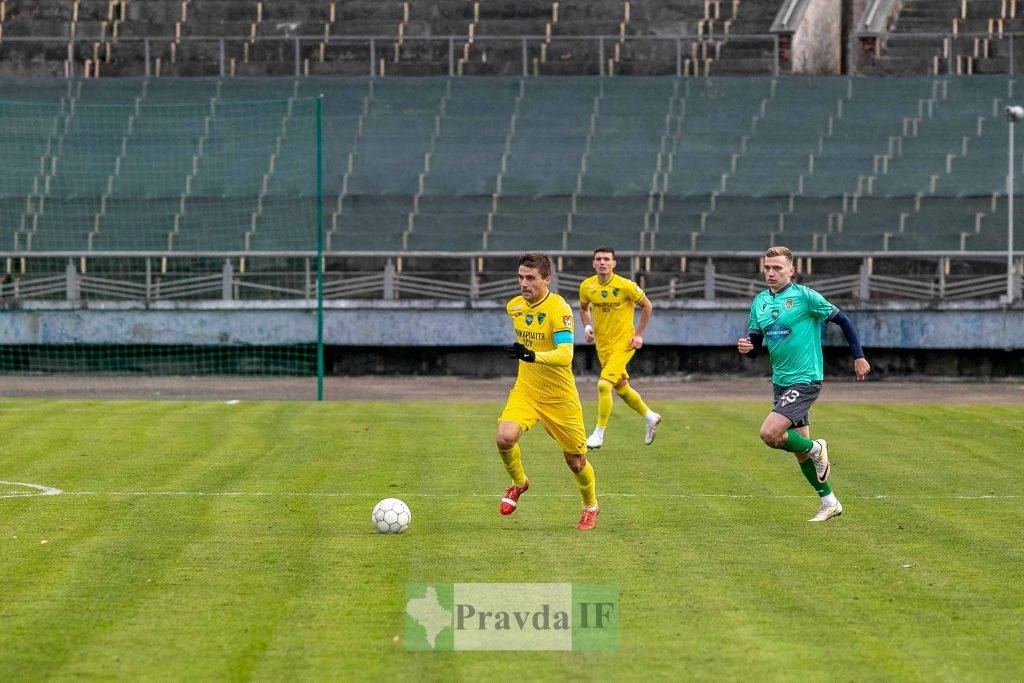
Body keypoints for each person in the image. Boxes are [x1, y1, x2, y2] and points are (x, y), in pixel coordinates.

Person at [737, 246, 871, 522]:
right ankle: (830, 502)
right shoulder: (760, 302)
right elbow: (755, 346)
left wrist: (858, 356)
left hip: (806, 379)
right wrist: (746, 347)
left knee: (769, 434)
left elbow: (843, 319)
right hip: (781, 381)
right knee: (799, 451)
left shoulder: (805, 296)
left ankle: (818, 449)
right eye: (767, 268)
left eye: (777, 268)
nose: (771, 273)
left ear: (791, 271)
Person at [497, 252, 599, 530]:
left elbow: (565, 355)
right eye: (520, 277)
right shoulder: (514, 307)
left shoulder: (560, 310)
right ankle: (519, 483)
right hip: (527, 391)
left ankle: (590, 505)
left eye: (530, 278)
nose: (523, 283)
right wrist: (527, 357)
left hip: (559, 397)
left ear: (546, 279)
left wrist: (531, 355)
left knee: (576, 462)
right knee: (505, 437)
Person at [578, 247, 661, 449]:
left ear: (614, 263)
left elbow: (647, 306)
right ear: (593, 263)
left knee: (603, 385)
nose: (602, 262)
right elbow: (583, 308)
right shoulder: (587, 286)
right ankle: (650, 416)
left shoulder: (625, 286)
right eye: (598, 259)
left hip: (624, 344)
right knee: (621, 388)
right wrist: (588, 327)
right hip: (603, 346)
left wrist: (638, 334)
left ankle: (598, 434)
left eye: (607, 259)